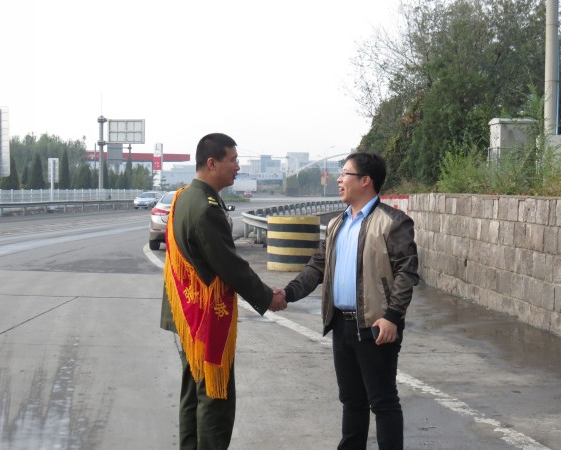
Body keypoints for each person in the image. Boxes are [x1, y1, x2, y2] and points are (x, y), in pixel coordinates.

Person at [279, 152, 419, 450]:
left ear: (365, 181)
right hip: (341, 326)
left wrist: (393, 316)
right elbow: (316, 267)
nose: (339, 179)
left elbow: (406, 273)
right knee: (352, 401)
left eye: (345, 174)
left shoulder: (393, 222)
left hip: (376, 327)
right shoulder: (336, 224)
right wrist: (286, 294)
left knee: (382, 401)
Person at [160, 132, 287, 450]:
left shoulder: (183, 197)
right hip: (205, 319)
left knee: (193, 392)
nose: (238, 167)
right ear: (212, 163)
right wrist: (267, 297)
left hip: (186, 313)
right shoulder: (205, 209)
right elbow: (230, 266)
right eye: (233, 160)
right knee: (215, 397)